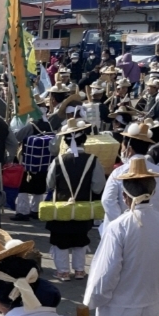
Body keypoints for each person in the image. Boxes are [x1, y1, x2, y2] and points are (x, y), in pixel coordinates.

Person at [84, 157, 159, 316]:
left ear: (124, 196)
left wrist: (93, 301)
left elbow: (105, 273)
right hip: (150, 304)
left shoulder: (118, 226)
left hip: (118, 308)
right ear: (154, 191)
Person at [45, 119, 105, 281]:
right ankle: (79, 270)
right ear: (84, 140)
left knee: (60, 240)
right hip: (84, 207)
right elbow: (98, 187)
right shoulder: (93, 160)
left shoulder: (58, 161)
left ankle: (63, 272)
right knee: (80, 238)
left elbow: (49, 184)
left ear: (65, 141)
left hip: (61, 208)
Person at [101, 122, 159, 228]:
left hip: (124, 228)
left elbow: (107, 200)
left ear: (129, 149)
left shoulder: (119, 172)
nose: (121, 150)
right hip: (154, 228)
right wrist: (155, 218)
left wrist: (121, 223)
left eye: (122, 146)